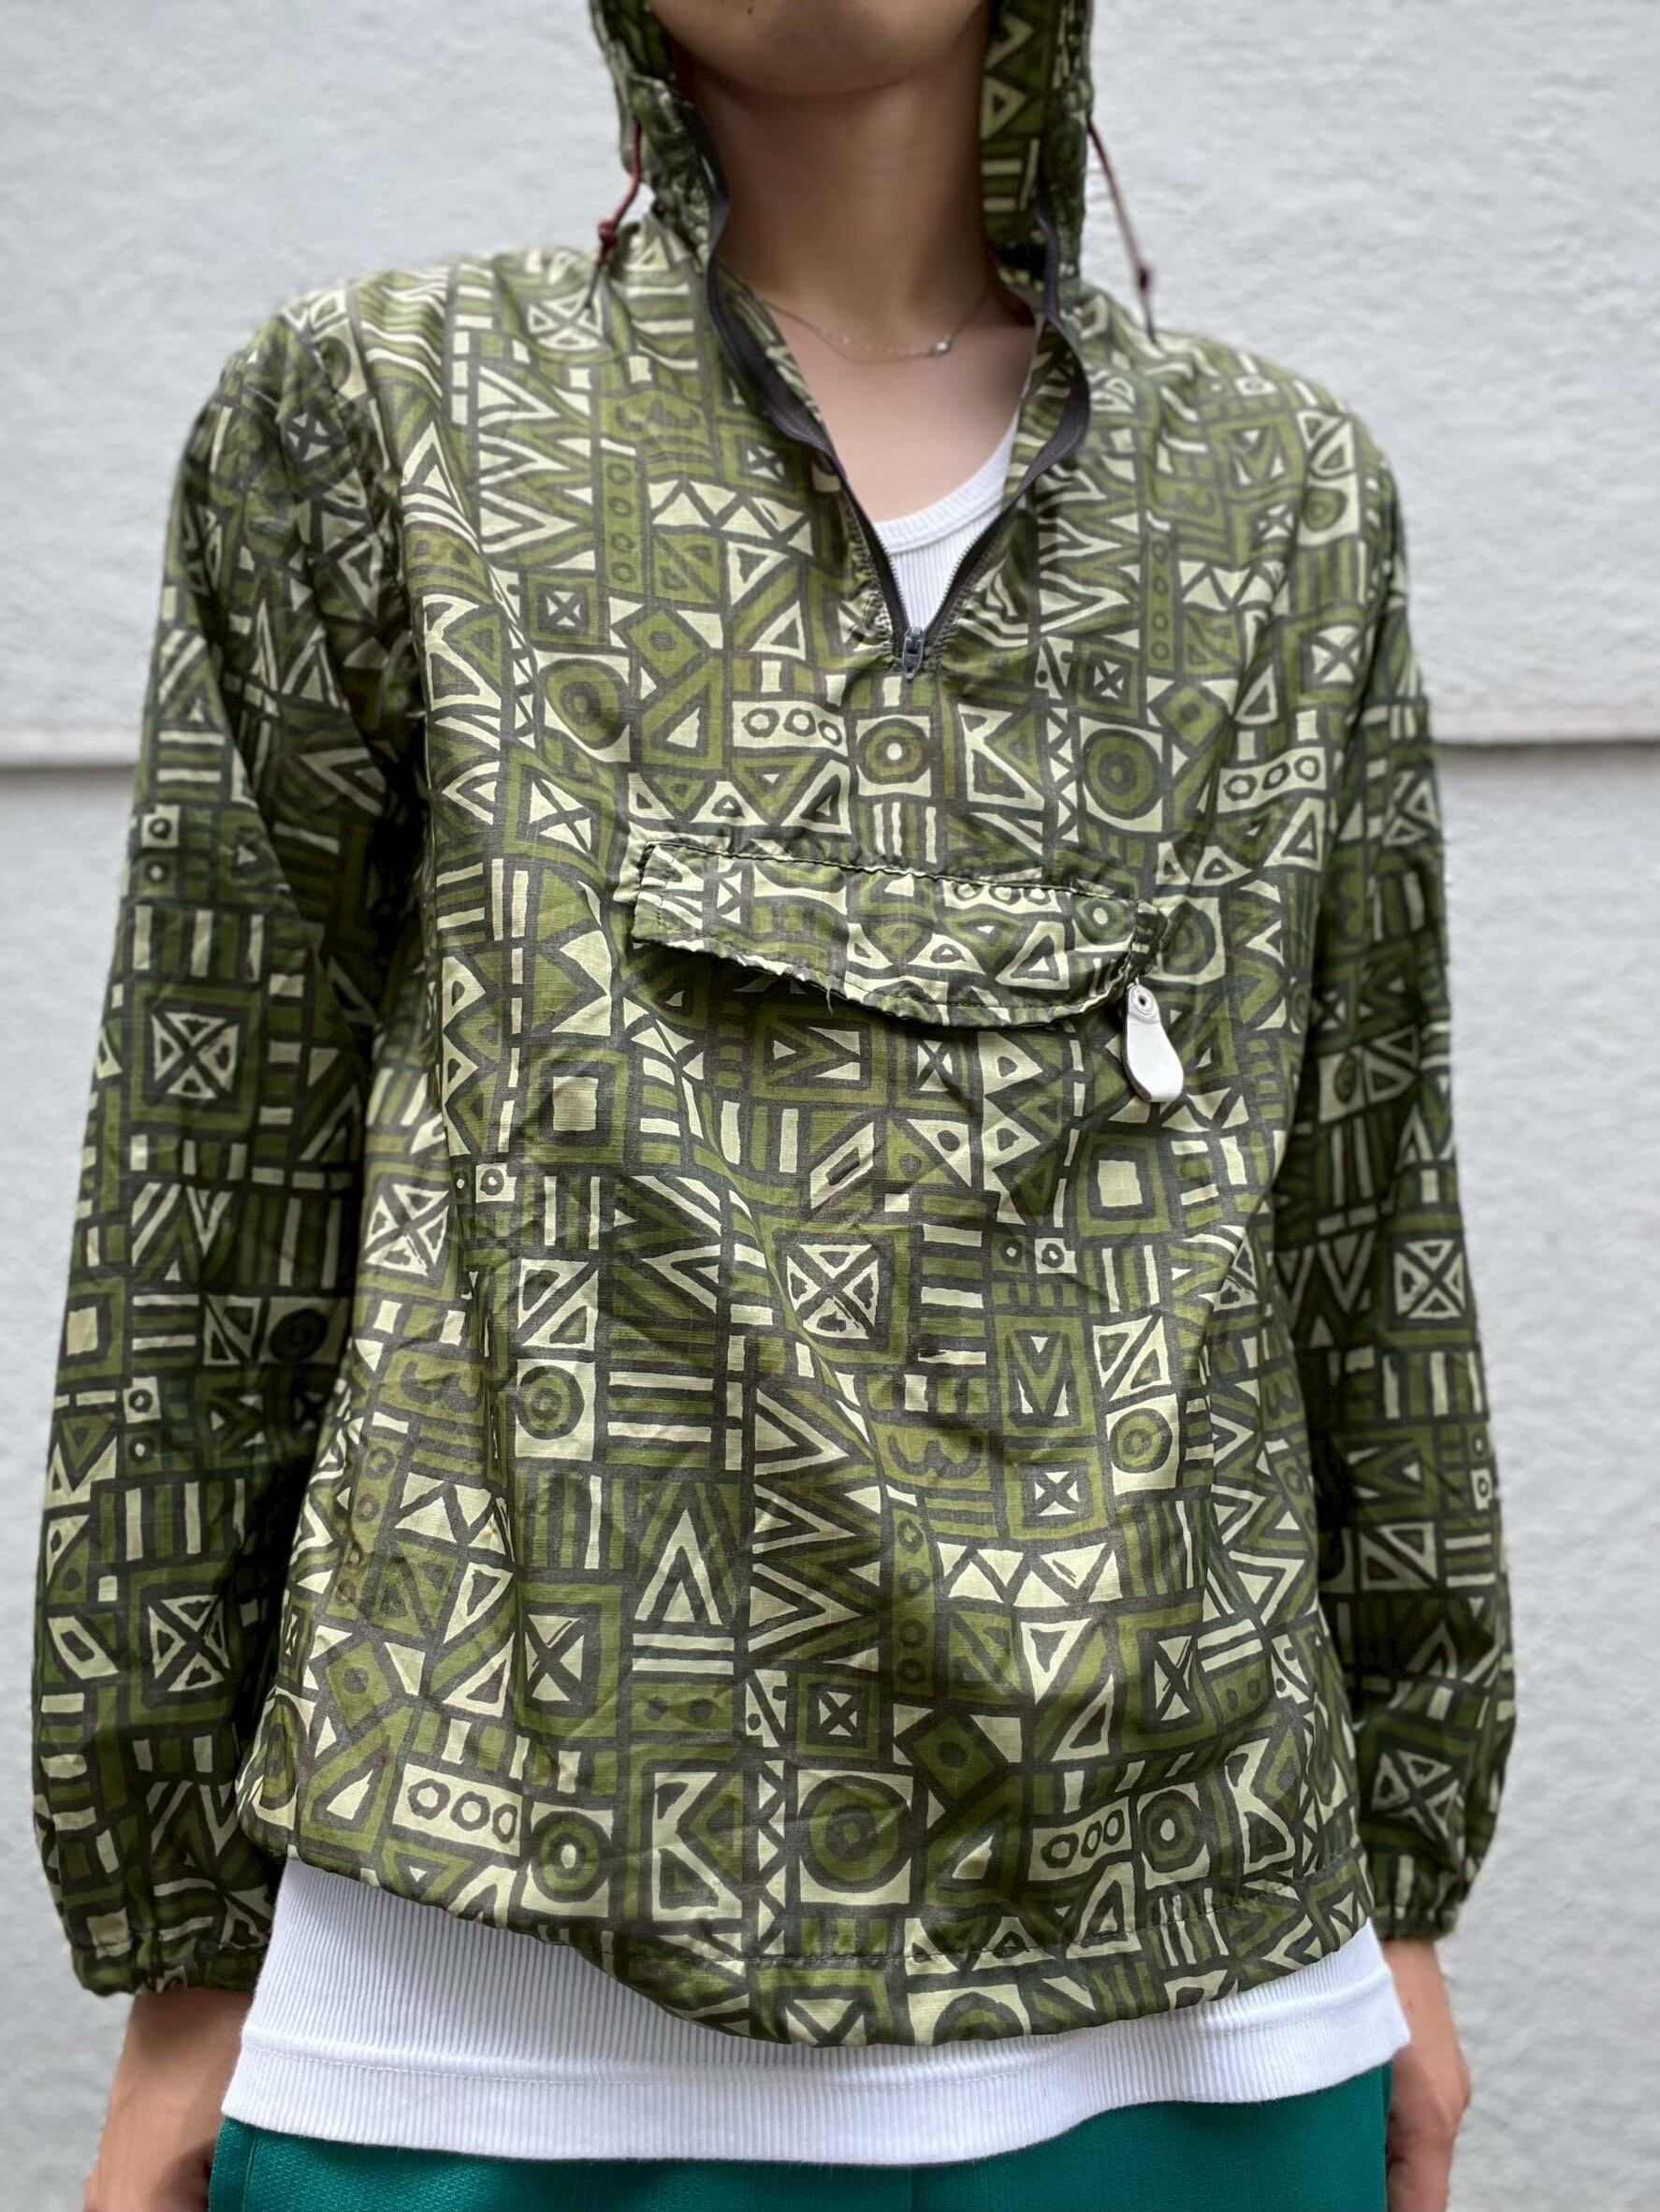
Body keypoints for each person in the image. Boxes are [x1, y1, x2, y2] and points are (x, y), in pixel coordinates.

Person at [30, 4, 1515, 2209]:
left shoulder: (1278, 496)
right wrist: (181, 1944)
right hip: (474, 2033)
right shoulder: (379, 416)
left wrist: (1393, 1880)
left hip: (1204, 1997)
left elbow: (1359, 1213)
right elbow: (211, 1190)